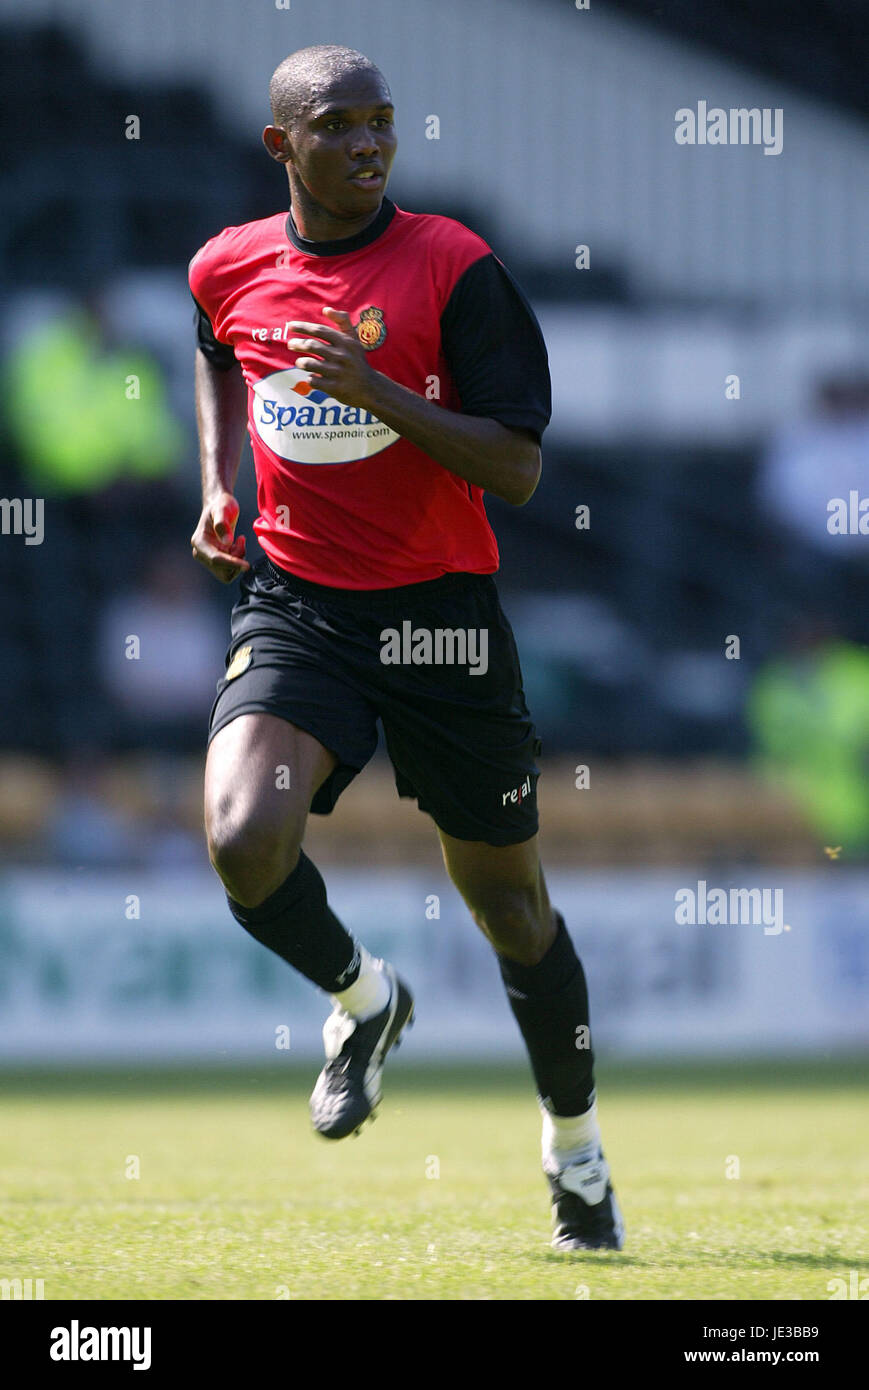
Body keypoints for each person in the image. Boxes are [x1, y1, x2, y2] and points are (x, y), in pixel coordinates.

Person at [188, 44, 622, 1253]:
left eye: (382, 123)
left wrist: (377, 391)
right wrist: (217, 483)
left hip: (441, 618)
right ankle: (364, 1001)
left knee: (512, 911)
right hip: (299, 606)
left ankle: (575, 1153)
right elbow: (218, 351)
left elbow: (517, 468)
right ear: (282, 146)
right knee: (240, 838)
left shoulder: (453, 267)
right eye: (338, 127)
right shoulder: (229, 264)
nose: (370, 144)